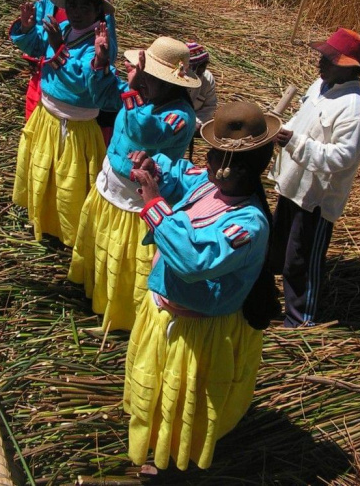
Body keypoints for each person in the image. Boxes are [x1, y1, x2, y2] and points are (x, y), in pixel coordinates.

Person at [124, 101, 282, 471]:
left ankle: (175, 459)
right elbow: (182, 172)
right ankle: (153, 440)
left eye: (212, 154)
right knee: (156, 389)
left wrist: (154, 204)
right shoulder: (211, 185)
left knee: (184, 401)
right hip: (165, 314)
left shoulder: (247, 225)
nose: (205, 159)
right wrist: (155, 165)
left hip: (198, 334)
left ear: (228, 168)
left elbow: (193, 261)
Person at [68, 37, 199, 331]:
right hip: (109, 190)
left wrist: (134, 89)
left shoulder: (180, 116)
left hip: (136, 206)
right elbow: (103, 96)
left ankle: (121, 319)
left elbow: (145, 134)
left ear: (169, 82)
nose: (143, 79)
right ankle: (95, 296)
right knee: (102, 249)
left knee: (124, 267)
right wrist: (101, 64)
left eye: (150, 75)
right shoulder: (142, 95)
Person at [268, 28, 360, 328]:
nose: (320, 62)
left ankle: (302, 318)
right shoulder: (321, 85)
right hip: (293, 183)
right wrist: (280, 129)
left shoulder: (354, 110)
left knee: (301, 260)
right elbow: (302, 120)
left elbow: (341, 158)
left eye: (328, 58)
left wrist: (293, 143)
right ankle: (272, 297)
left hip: (316, 198)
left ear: (349, 66)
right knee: (280, 247)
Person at [10, 0, 123, 248]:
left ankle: (69, 234)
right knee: (45, 173)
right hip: (47, 119)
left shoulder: (98, 44)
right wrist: (26, 28)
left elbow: (86, 83)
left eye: (86, 7)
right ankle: (44, 221)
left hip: (75, 129)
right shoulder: (62, 27)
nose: (78, 12)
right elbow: (38, 44)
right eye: (72, 6)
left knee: (69, 183)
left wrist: (61, 47)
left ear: (98, 11)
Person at [16, 0, 117, 139]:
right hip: (47, 77)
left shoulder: (98, 0)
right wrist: (26, 29)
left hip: (74, 103)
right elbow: (40, 38)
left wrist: (60, 48)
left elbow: (101, 58)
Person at [186, 40, 218, 160]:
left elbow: (210, 106)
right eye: (201, 67)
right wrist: (188, 121)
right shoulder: (177, 79)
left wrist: (197, 122)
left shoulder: (207, 79)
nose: (203, 70)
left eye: (205, 66)